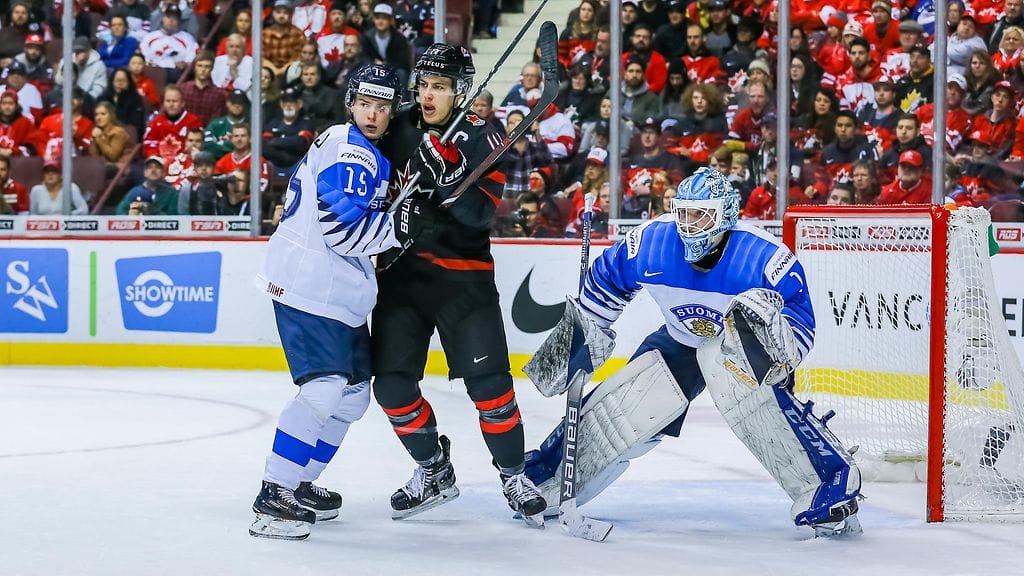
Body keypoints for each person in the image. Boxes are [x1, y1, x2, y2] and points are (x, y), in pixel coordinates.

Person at [522, 167, 863, 537]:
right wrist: (583, 336)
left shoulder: (762, 257)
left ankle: (829, 484)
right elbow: (606, 279)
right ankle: (546, 479)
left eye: (700, 215)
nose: (688, 225)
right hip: (679, 340)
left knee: (755, 405)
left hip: (740, 351)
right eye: (683, 213)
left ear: (726, 216)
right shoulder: (652, 242)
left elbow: (800, 318)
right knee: (621, 410)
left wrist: (781, 353)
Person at [373, 43, 548, 526]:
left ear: (460, 91)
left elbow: (481, 215)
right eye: (424, 85)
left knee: (490, 387)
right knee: (390, 387)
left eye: (441, 87)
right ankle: (433, 472)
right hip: (402, 280)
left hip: (463, 283)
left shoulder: (481, 136)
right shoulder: (398, 127)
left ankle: (515, 474)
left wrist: (450, 176)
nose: (428, 95)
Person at [249, 64, 414, 541]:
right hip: (310, 286)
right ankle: (274, 494)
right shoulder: (354, 154)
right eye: (365, 103)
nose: (373, 114)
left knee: (353, 395)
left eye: (383, 107)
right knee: (324, 389)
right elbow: (343, 233)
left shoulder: (347, 143)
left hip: (336, 292)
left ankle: (298, 482)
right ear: (351, 103)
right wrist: (400, 226)